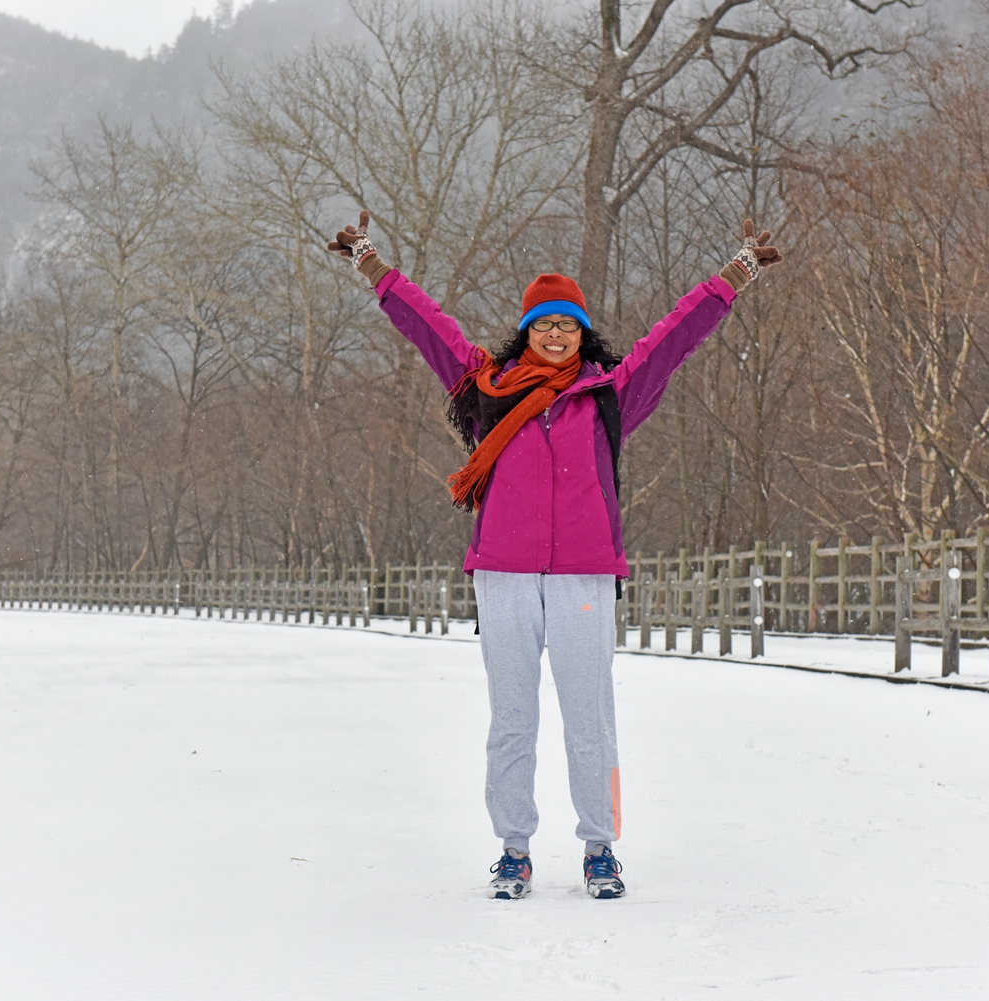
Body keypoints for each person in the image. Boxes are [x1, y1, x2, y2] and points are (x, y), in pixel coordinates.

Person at [328, 210, 781, 900]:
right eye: (544, 323)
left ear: (582, 331)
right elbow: (429, 327)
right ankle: (513, 849)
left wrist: (734, 276)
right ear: (527, 329)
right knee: (513, 715)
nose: (556, 333)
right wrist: (371, 266)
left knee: (588, 712)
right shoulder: (486, 384)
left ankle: (600, 848)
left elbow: (672, 339)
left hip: (584, 575)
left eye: (567, 323)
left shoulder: (609, 394)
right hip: (504, 573)